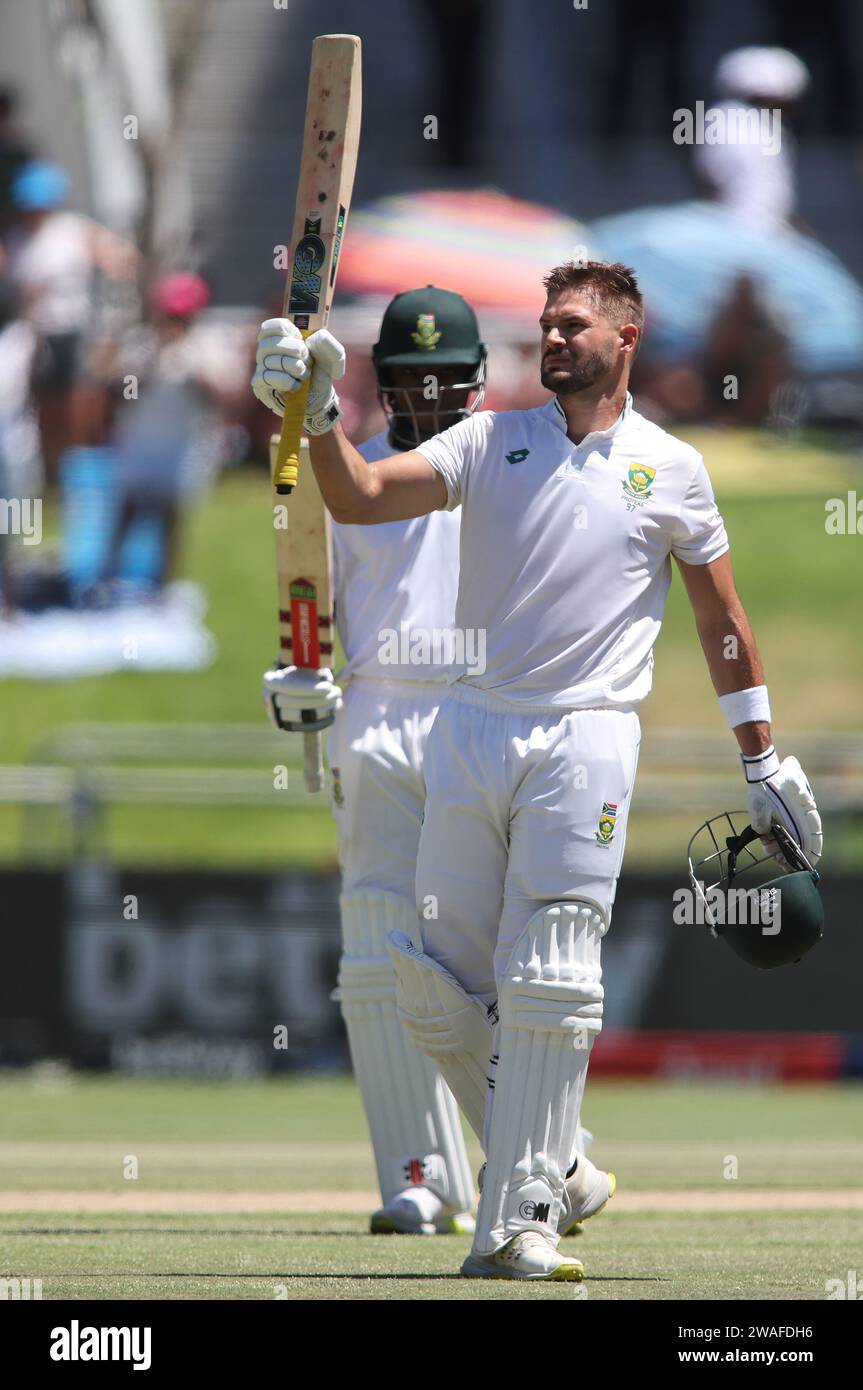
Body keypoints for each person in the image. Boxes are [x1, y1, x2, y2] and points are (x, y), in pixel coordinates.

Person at [252, 260, 822, 1280]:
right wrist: (309, 409)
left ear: (625, 337)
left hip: (587, 734)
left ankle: (517, 1219)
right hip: (470, 727)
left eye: (570, 327)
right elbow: (363, 493)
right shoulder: (490, 438)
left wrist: (762, 755)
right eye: (545, 328)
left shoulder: (669, 467)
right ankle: (555, 1164)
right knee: (424, 986)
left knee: (550, 971)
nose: (552, 342)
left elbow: (719, 619)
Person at [260, 287, 484, 1235]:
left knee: (488, 958)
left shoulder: (514, 470)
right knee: (374, 958)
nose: (426, 395)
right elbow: (303, 596)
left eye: (443, 378)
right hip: (379, 710)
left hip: (484, 714)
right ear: (382, 388)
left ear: (475, 382)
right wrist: (298, 673)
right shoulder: (337, 475)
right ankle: (422, 1172)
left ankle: (539, 1158)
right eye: (407, 380)